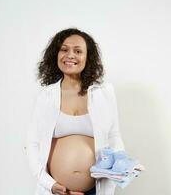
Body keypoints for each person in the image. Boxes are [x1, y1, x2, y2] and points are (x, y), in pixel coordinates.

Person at [26, 28, 126, 195]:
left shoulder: (104, 93)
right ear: (55, 55)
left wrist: (114, 180)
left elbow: (114, 137)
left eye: (78, 51)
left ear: (88, 58)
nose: (70, 55)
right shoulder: (46, 97)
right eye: (64, 50)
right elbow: (32, 144)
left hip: (96, 190)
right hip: (55, 191)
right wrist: (49, 184)